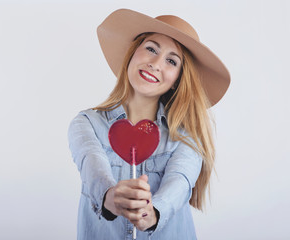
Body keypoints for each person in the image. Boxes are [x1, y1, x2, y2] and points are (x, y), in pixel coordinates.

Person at [68, 9, 230, 240]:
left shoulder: (186, 137)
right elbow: (91, 165)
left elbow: (181, 180)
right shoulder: (86, 124)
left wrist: (152, 212)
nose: (155, 63)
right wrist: (111, 197)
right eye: (151, 48)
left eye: (171, 61)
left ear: (178, 80)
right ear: (133, 53)